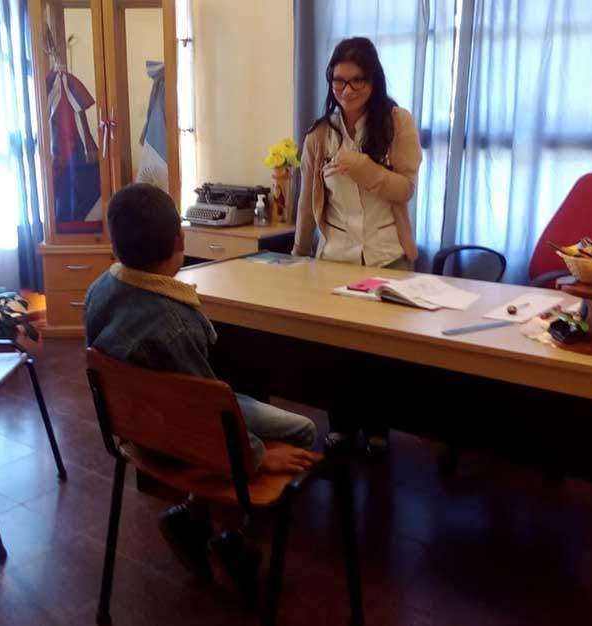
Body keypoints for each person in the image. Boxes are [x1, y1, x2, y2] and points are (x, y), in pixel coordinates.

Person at [84, 182, 320, 600]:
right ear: (181, 240)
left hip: (138, 431)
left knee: (230, 400)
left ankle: (192, 516)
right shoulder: (177, 322)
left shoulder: (97, 292)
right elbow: (207, 418)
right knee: (303, 429)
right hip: (177, 437)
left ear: (114, 243)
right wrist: (258, 455)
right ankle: (234, 540)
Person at [292, 36, 423, 453]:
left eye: (356, 81)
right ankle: (342, 425)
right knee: (338, 351)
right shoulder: (319, 135)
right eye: (338, 81)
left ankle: (379, 429)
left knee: (381, 355)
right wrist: (298, 256)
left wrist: (363, 167)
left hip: (387, 256)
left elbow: (405, 189)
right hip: (336, 258)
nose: (346, 90)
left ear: (373, 81)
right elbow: (306, 201)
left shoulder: (397, 123)